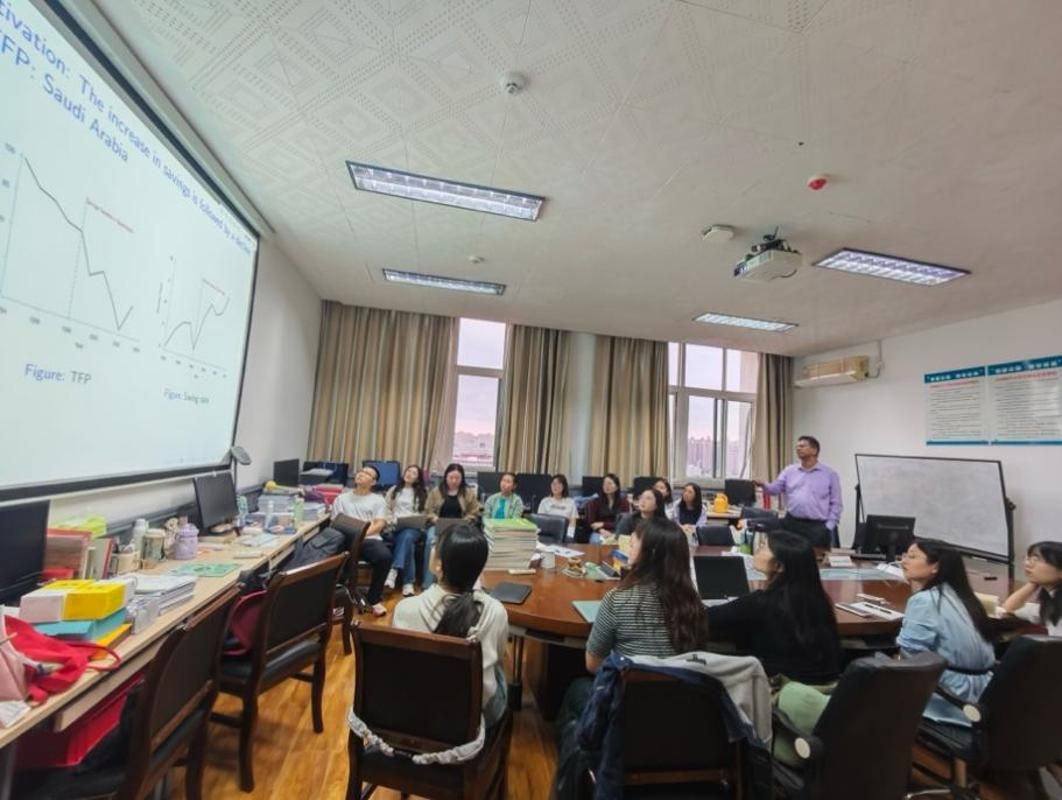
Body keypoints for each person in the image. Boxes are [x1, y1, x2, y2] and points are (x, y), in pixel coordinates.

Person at [553, 519, 708, 798]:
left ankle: (577, 770)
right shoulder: (694, 605)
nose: (629, 545)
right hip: (680, 719)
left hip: (626, 713)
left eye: (634, 541)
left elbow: (593, 664)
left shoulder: (618, 599)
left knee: (575, 692)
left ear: (648, 553)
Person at [393, 522, 509, 727]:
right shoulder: (496, 611)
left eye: (435, 545)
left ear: (439, 565)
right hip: (472, 716)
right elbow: (498, 657)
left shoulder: (405, 609)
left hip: (415, 710)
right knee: (499, 671)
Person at [707, 530, 842, 684]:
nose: (757, 549)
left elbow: (705, 618)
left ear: (778, 566)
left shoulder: (760, 602)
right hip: (826, 690)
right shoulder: (819, 600)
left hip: (780, 690)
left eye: (763, 546)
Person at [897, 539, 994, 726]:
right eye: (905, 555)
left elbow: (912, 659)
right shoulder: (964, 597)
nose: (903, 561)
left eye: (912, 556)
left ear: (935, 567)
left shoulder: (924, 601)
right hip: (986, 694)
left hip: (949, 697)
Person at [756, 436, 841, 550]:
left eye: (802, 446)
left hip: (818, 527)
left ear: (814, 450)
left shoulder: (829, 474)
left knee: (816, 558)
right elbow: (775, 489)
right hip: (792, 523)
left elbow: (836, 503)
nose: (798, 448)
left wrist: (829, 526)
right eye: (797, 446)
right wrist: (764, 485)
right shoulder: (789, 471)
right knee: (791, 555)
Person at [332, 464, 392, 617]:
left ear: (373, 482)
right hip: (345, 538)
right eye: (361, 471)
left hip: (368, 539)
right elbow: (335, 522)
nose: (361, 474)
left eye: (367, 474)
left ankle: (374, 599)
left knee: (384, 557)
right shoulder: (341, 498)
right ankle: (337, 599)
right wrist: (351, 535)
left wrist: (361, 535)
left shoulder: (378, 500)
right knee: (335, 558)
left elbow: (380, 524)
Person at [423, 463, 481, 589]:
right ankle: (428, 584)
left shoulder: (468, 492)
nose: (454, 481)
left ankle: (456, 584)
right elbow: (428, 510)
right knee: (431, 541)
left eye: (457, 478)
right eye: (451, 477)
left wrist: (465, 520)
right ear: (446, 477)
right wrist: (435, 518)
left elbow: (474, 512)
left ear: (462, 479)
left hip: (460, 527)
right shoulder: (436, 491)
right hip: (438, 525)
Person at [383, 464, 428, 597]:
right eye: (408, 471)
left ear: (418, 479)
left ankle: (393, 570)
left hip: (414, 528)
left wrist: (415, 519)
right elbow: (386, 509)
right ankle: (408, 583)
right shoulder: (393, 490)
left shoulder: (422, 493)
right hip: (394, 527)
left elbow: (424, 513)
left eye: (414, 473)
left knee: (408, 534)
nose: (409, 474)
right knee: (408, 543)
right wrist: (391, 520)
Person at [1001, 540, 1061, 636]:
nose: (1027, 564)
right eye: (1029, 558)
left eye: (1036, 559)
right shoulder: (1050, 602)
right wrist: (1032, 583)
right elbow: (1008, 610)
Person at [583, 473, 630, 543]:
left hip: (617, 531)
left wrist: (604, 524)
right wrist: (601, 530)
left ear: (617, 487)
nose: (606, 486)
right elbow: (591, 523)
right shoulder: (595, 502)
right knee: (596, 540)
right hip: (599, 531)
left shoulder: (624, 502)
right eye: (604, 484)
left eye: (609, 483)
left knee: (622, 541)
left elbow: (623, 522)